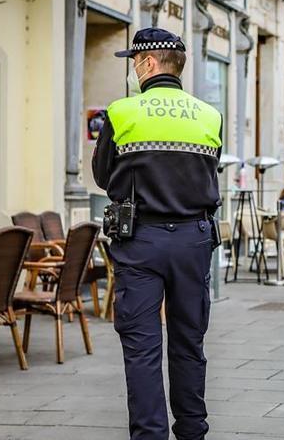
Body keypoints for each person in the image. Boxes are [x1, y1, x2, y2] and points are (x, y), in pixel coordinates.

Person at [93, 28, 223, 440]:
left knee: (142, 347)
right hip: (194, 240)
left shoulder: (122, 112)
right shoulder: (208, 115)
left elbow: (101, 174)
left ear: (148, 63)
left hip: (141, 240)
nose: (132, 69)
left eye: (134, 62)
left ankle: (149, 435)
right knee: (188, 343)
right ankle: (192, 431)